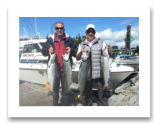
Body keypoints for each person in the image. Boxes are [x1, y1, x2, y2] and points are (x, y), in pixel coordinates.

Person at [41, 21, 78, 106]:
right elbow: (43, 52)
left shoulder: (69, 40)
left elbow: (76, 51)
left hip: (65, 70)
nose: (59, 30)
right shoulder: (50, 40)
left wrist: (71, 50)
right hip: (54, 71)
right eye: (57, 28)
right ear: (55, 29)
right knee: (55, 91)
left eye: (61, 28)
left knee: (65, 92)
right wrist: (47, 51)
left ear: (64, 29)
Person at [76, 24, 111, 106]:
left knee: (103, 94)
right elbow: (77, 57)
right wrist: (81, 52)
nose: (90, 33)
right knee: (87, 94)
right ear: (86, 33)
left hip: (99, 73)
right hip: (87, 75)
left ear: (95, 33)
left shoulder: (101, 43)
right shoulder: (81, 44)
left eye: (92, 31)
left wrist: (108, 50)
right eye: (89, 31)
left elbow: (107, 55)